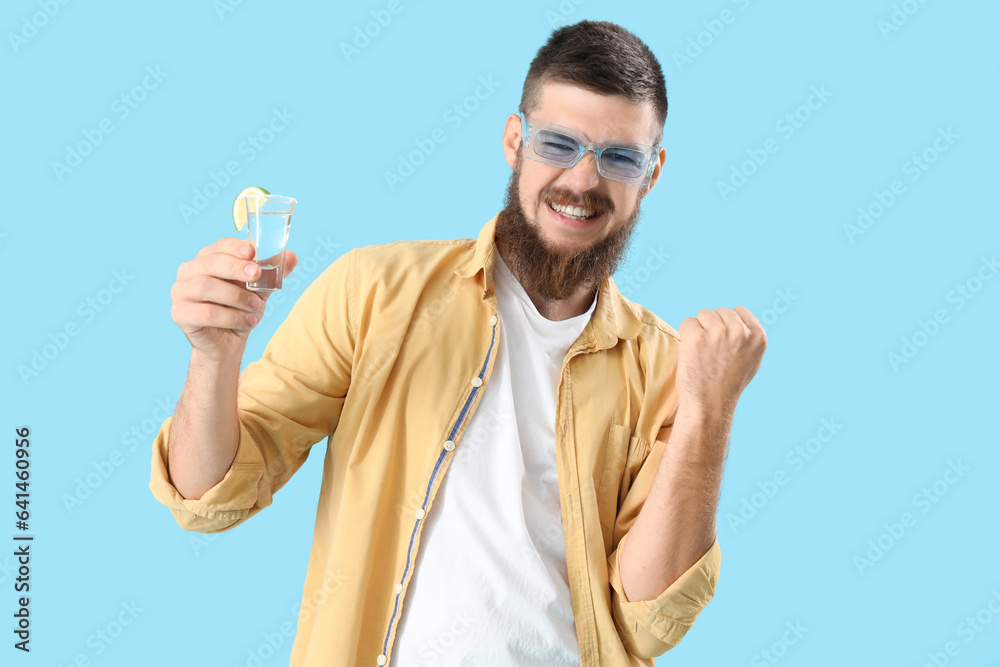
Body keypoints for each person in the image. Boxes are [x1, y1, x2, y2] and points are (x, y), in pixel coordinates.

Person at [149, 19, 766, 667]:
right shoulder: (374, 292)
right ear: (513, 140)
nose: (583, 182)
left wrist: (708, 411)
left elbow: (647, 622)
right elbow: (207, 499)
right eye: (558, 143)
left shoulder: (666, 367)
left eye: (619, 157)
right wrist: (214, 356)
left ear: (653, 172)